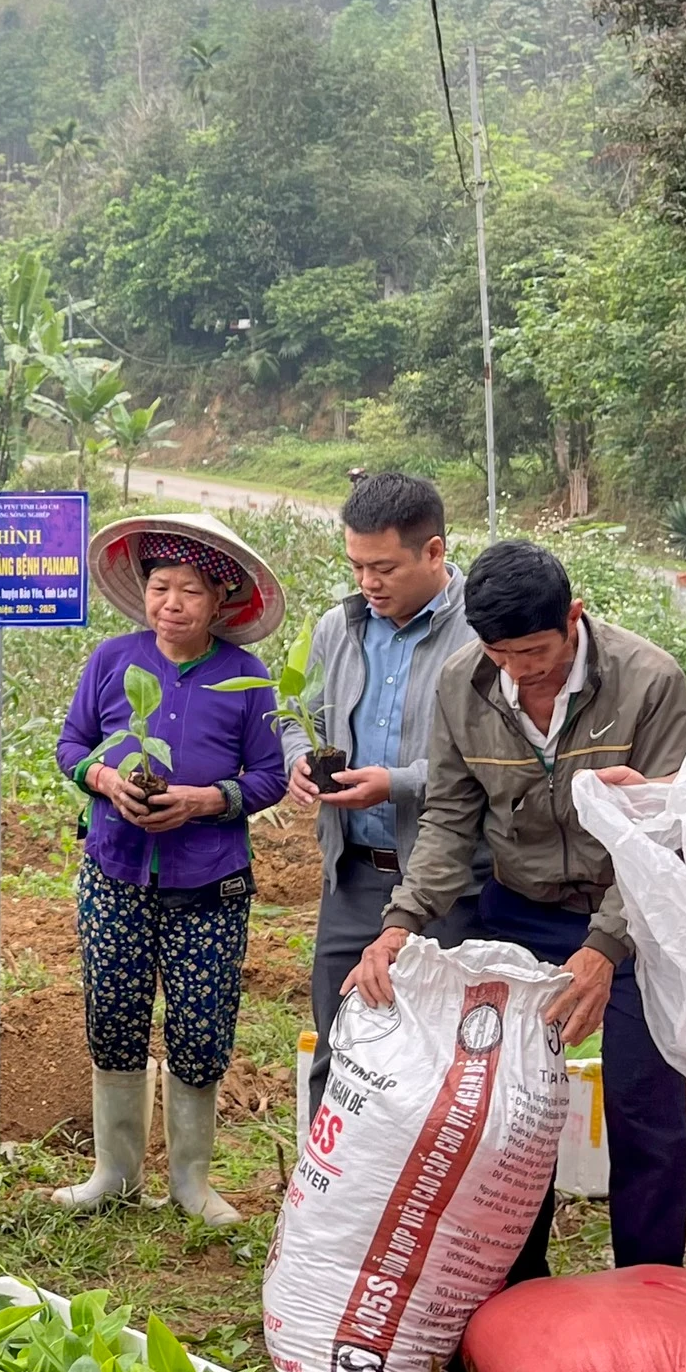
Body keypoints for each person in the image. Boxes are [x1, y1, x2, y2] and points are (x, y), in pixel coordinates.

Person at [346, 539, 686, 1276]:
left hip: (635, 918)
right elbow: (449, 816)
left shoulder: (648, 680)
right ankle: (515, 1285)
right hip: (521, 911)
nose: (521, 670)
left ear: (574, 617)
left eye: (536, 650)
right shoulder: (462, 684)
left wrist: (605, 947)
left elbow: (663, 834)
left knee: (645, 1110)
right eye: (502, 654)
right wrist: (402, 922)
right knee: (509, 1107)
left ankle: (651, 1284)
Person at [49, 513, 287, 1225]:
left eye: (189, 590)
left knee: (200, 1023)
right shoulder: (113, 661)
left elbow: (270, 776)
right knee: (114, 1014)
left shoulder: (245, 677)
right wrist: (107, 782)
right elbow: (72, 747)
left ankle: (191, 1179)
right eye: (160, 587)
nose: (172, 603)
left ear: (219, 602)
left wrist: (207, 800)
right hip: (116, 872)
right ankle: (114, 1172)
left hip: (210, 882)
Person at [285, 473, 481, 1118]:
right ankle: (330, 1208)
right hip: (353, 878)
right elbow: (295, 714)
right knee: (340, 1045)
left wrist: (393, 784)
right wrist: (296, 760)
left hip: (451, 884)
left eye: (384, 567)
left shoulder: (481, 635)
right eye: (357, 566)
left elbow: (489, 761)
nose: (368, 582)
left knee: (442, 1058)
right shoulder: (337, 628)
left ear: (435, 552)